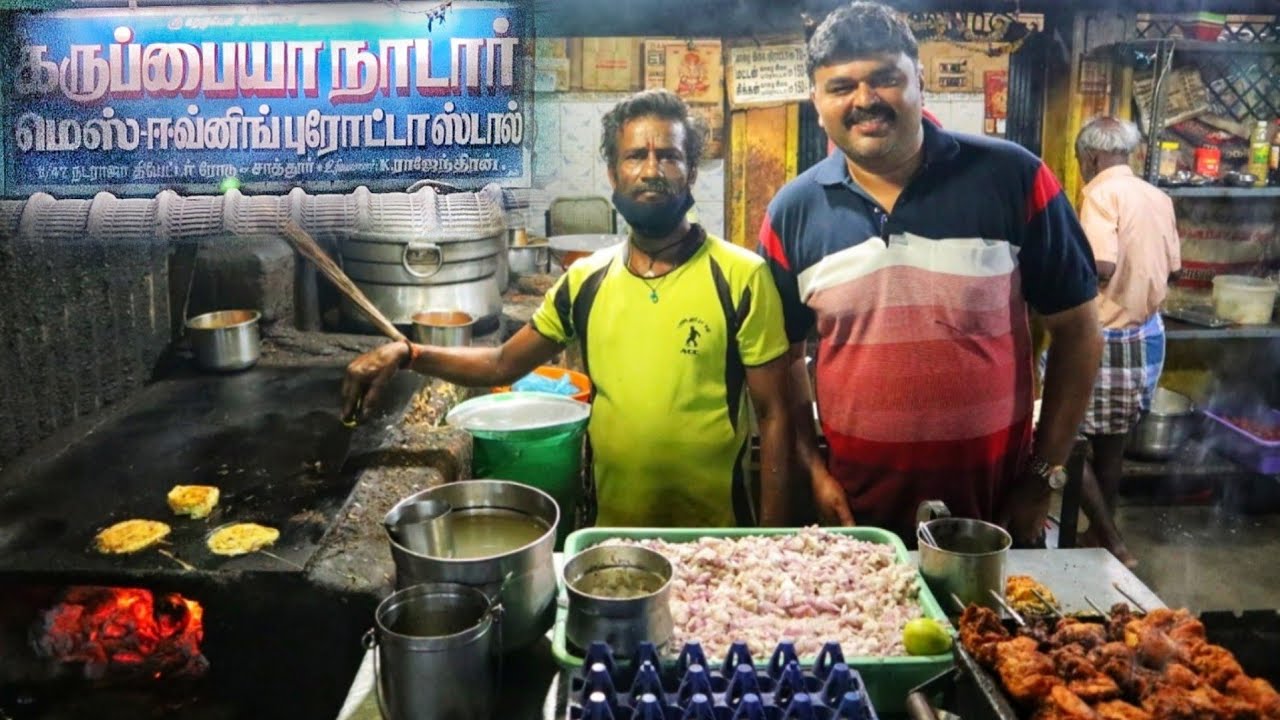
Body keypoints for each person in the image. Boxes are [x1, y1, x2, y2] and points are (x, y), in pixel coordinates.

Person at [343, 89, 794, 528]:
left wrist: (770, 540)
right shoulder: (584, 281)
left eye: (670, 156)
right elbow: (502, 364)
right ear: (613, 174)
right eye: (635, 156)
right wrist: (408, 353)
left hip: (715, 533)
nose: (651, 170)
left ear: (691, 170)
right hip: (610, 536)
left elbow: (775, 415)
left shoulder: (742, 277)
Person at [758, 1, 1103, 546]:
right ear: (816, 100)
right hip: (858, 519)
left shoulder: (1013, 178)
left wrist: (1042, 477)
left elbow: (1080, 332)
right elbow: (781, 359)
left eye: (886, 79)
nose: (865, 101)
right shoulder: (793, 212)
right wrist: (814, 469)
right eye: (841, 86)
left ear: (920, 79)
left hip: (995, 515)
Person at [1072, 116, 1182, 567]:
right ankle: (1100, 537)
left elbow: (1099, 264)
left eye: (1082, 161)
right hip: (1147, 335)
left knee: (1060, 441)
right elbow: (1173, 266)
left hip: (1107, 336)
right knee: (1112, 444)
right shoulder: (1158, 197)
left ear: (1092, 156)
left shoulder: (1100, 194)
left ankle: (1113, 542)